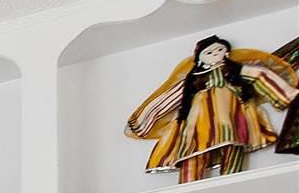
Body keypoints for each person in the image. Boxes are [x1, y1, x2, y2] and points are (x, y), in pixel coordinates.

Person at [124, 36, 298, 182]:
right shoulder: (194, 80)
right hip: (199, 122)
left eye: (219, 50)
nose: (215, 54)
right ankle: (189, 185)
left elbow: (260, 75)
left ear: (226, 52)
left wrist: (287, 94)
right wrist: (141, 122)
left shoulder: (234, 72)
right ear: (200, 58)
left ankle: (231, 180)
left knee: (234, 144)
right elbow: (166, 100)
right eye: (209, 52)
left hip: (231, 118)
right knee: (193, 152)